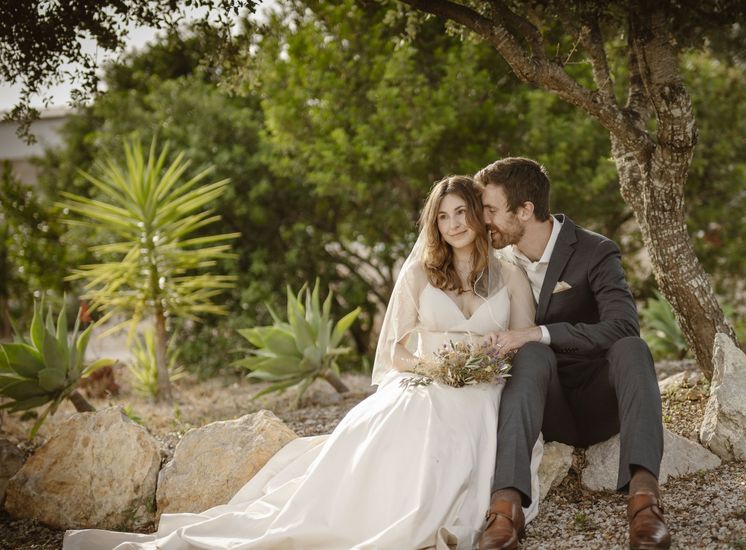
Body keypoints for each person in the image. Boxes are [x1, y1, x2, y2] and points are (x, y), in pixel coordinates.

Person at [62, 176, 541, 550]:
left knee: (467, 418)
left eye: (462, 213)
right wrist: (434, 371)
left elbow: (522, 343)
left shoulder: (511, 276)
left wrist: (480, 368)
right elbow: (395, 351)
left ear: (479, 217)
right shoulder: (418, 273)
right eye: (443, 217)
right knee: (401, 421)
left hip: (483, 387)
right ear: (433, 225)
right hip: (422, 381)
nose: (454, 224)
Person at [475, 158, 671, 550]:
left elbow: (622, 326)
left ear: (525, 209)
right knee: (531, 356)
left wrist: (540, 332)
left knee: (633, 347)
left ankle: (645, 504)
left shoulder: (595, 251)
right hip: (544, 405)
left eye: (491, 210)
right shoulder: (496, 262)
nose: (484, 221)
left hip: (600, 401)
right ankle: (506, 508)